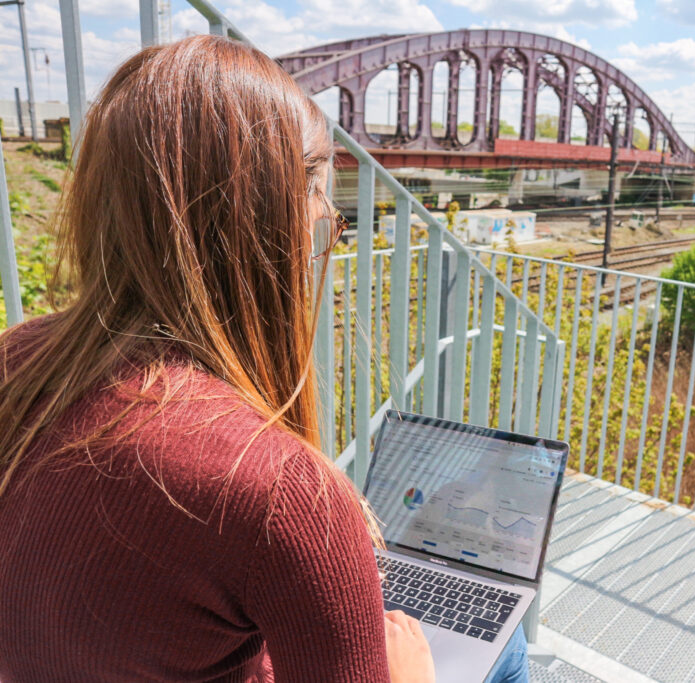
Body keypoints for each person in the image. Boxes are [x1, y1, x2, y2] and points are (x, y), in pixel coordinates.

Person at [0, 35, 527, 683]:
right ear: (276, 232)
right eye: (327, 225)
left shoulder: (17, 363)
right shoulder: (280, 489)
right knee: (507, 650)